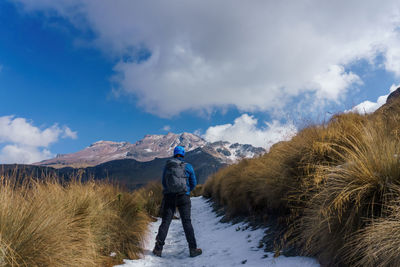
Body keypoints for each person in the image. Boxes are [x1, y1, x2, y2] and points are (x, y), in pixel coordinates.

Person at [152, 146, 202, 258]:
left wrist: (169, 191)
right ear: (183, 154)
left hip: (169, 197)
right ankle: (193, 249)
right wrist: (187, 190)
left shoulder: (168, 166)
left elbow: (164, 182)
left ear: (174, 154)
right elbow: (193, 182)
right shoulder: (188, 166)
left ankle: (158, 249)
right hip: (184, 197)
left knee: (166, 222)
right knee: (187, 222)